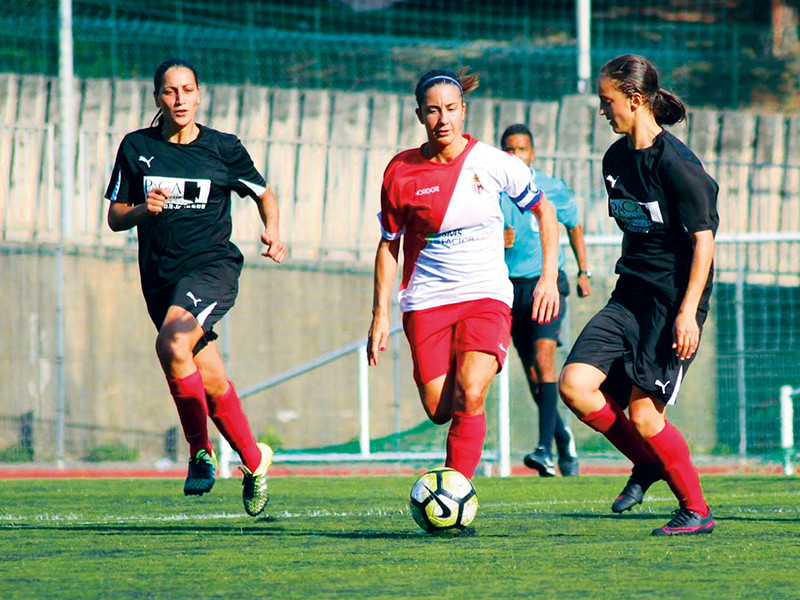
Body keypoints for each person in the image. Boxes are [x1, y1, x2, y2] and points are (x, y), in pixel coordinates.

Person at [104, 58, 287, 517]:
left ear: (199, 95)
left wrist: (274, 231)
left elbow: (263, 193)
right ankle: (254, 460)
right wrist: (144, 210)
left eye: (187, 90)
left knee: (170, 341)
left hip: (211, 268)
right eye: (170, 91)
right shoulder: (137, 147)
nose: (180, 98)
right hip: (160, 279)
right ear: (157, 98)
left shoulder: (223, 148)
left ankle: (199, 453)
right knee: (210, 378)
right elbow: (114, 217)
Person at [367, 68, 560, 480]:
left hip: (486, 295)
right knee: (440, 409)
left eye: (451, 109)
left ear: (464, 111)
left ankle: (457, 489)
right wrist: (379, 314)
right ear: (419, 114)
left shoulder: (492, 162)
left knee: (472, 392)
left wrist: (548, 277)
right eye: (433, 111)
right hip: (428, 300)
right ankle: (457, 472)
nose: (443, 119)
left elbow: (545, 210)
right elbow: (389, 244)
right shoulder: (400, 172)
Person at [558, 54, 719, 536]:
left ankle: (696, 509)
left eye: (607, 102)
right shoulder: (614, 159)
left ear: (635, 99)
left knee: (646, 415)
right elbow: (637, 229)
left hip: (672, 306)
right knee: (574, 385)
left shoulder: (679, 165)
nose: (602, 111)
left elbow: (704, 242)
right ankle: (648, 464)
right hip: (629, 296)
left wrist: (687, 313)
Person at [499, 124, 591, 477]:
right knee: (533, 376)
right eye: (508, 149)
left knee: (545, 359)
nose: (514, 155)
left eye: (520, 149)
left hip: (546, 286)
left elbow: (574, 225)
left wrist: (585, 270)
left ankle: (543, 451)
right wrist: (497, 239)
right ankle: (562, 437)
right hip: (509, 289)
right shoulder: (492, 189)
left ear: (531, 153)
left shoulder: (550, 186)